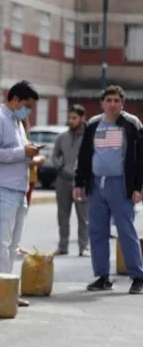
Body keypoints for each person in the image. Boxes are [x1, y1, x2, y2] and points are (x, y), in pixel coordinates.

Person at [74, 85, 143, 294]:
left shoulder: (131, 124)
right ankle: (102, 276)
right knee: (97, 231)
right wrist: (79, 182)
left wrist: (138, 187)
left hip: (121, 185)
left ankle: (138, 276)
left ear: (122, 103)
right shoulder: (94, 124)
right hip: (97, 184)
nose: (112, 104)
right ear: (102, 103)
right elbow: (85, 155)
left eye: (116, 100)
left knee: (126, 231)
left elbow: (140, 158)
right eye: (108, 100)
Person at [0, 80, 43, 307]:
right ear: (15, 99)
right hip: (1, 187)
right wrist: (22, 152)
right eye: (27, 105)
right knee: (1, 243)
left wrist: (30, 153)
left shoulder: (17, 121)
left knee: (13, 245)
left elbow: (17, 153)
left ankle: (9, 290)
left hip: (18, 187)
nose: (29, 110)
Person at [52, 104, 89, 257]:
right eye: (70, 118)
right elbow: (54, 155)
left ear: (82, 118)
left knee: (84, 217)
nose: (71, 121)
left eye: (74, 118)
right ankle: (63, 246)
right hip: (63, 180)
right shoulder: (62, 137)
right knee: (62, 215)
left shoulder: (89, 138)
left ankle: (83, 247)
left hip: (82, 182)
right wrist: (59, 166)